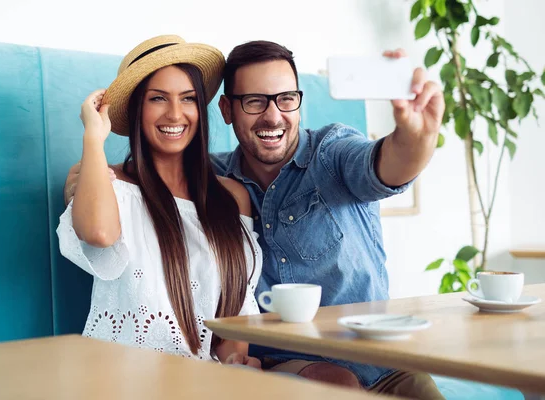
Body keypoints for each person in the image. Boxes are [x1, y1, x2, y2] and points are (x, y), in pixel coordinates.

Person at [64, 39, 445, 398]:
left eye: (285, 99)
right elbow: (119, 211)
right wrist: (93, 167)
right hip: (284, 368)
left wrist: (418, 136)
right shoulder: (208, 185)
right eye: (255, 102)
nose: (273, 115)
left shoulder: (326, 155)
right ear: (227, 110)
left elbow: (389, 166)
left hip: (379, 367)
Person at [56, 35, 262, 367]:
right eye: (158, 99)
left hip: (205, 385)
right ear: (137, 109)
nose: (175, 114)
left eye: (188, 98)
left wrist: (238, 365)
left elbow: (234, 312)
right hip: (119, 381)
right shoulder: (108, 182)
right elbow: (98, 233)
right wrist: (93, 136)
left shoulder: (231, 197)